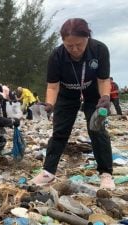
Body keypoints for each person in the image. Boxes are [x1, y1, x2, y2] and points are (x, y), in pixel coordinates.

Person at [30, 18, 115, 189]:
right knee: (59, 131)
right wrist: (49, 104)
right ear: (63, 42)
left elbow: (103, 79)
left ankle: (105, 173)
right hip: (67, 94)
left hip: (93, 95)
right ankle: (48, 172)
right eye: (70, 46)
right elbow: (53, 86)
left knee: (97, 130)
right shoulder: (56, 56)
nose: (75, 49)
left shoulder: (99, 50)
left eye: (79, 45)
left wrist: (105, 97)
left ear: (87, 39)